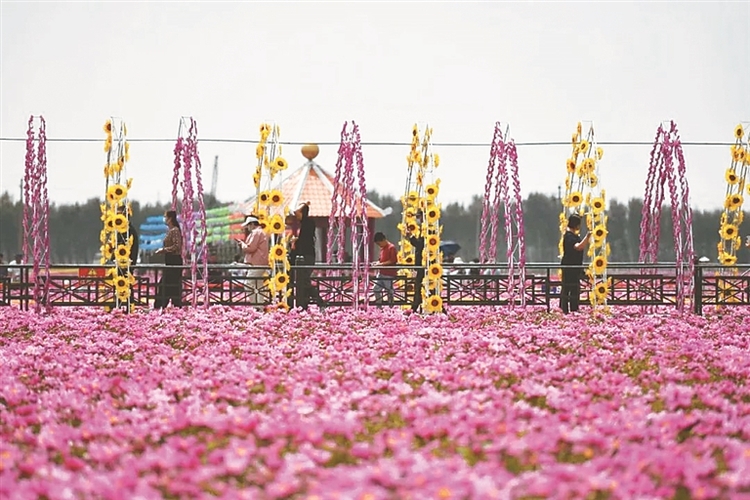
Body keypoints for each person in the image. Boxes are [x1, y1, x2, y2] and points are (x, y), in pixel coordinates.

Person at [560, 213, 591, 314]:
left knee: (574, 288)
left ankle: (573, 309)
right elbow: (578, 247)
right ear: (576, 225)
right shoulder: (569, 236)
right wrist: (587, 237)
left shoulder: (572, 235)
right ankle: (566, 309)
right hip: (570, 267)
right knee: (568, 288)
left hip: (574, 267)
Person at [154, 210, 183, 309]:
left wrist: (164, 250)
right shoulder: (170, 231)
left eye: (165, 217)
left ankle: (163, 305)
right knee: (167, 285)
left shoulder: (174, 230)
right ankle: (167, 305)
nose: (164, 219)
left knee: (168, 284)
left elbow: (177, 246)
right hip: (170, 261)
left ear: (170, 219)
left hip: (174, 261)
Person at [290, 201, 317, 309]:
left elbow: (298, 211)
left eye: (298, 213)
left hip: (307, 256)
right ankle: (304, 304)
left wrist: (305, 205)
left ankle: (319, 300)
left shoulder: (309, 223)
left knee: (305, 280)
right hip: (302, 256)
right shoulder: (303, 225)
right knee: (302, 281)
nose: (296, 215)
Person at [238, 215, 269, 306]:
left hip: (256, 263)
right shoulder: (262, 232)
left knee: (248, 284)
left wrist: (242, 245)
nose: (247, 227)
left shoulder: (256, 233)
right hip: (261, 263)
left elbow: (251, 248)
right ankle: (260, 305)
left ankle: (256, 305)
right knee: (258, 285)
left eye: (248, 225)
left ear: (252, 224)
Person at [372, 232, 397, 307]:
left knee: (389, 291)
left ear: (383, 240)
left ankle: (391, 307)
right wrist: (377, 263)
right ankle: (379, 306)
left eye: (379, 243)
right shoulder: (383, 248)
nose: (379, 246)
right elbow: (381, 260)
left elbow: (393, 260)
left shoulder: (391, 247)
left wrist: (381, 264)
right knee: (376, 289)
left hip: (388, 274)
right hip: (381, 273)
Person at [407, 214, 426, 313]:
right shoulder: (423, 228)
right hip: (421, 264)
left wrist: (411, 237)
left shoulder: (428, 228)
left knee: (420, 286)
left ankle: (414, 307)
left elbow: (420, 245)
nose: (419, 219)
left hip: (424, 264)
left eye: (420, 216)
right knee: (419, 286)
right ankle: (415, 307)